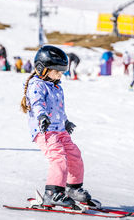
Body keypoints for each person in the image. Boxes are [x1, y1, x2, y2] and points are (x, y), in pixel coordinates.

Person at [20, 45, 91, 208]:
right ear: (42, 69)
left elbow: (59, 109)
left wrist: (65, 122)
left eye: (62, 71)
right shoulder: (37, 85)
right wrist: (42, 117)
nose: (60, 75)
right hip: (45, 131)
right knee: (58, 158)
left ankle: (73, 188)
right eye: (57, 71)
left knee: (75, 155)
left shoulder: (56, 86)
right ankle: (52, 193)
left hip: (60, 130)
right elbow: (37, 104)